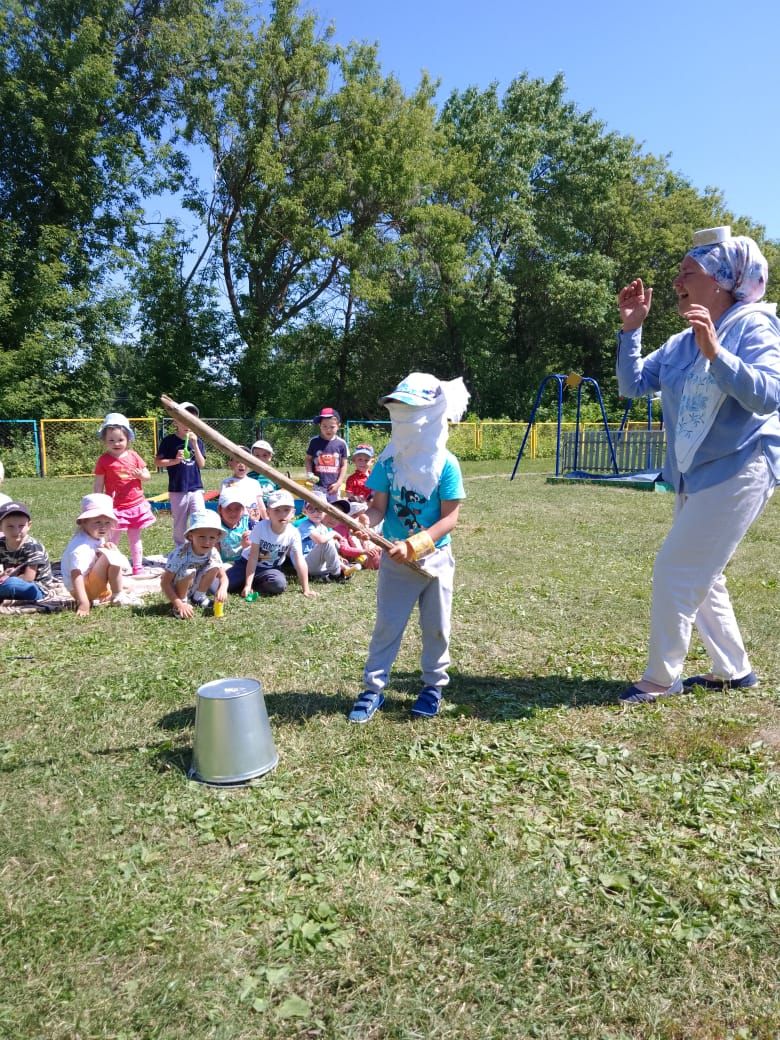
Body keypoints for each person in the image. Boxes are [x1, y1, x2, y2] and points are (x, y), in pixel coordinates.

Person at [616, 226, 780, 704]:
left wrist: (717, 353)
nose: (677, 281)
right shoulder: (679, 342)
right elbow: (632, 386)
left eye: (689, 272)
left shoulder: (755, 325)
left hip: (742, 462)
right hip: (692, 473)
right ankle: (734, 669)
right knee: (703, 573)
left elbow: (768, 395)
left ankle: (661, 678)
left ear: (724, 281)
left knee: (676, 568)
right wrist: (631, 329)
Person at [348, 372, 469, 723]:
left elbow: (450, 519)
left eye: (412, 411)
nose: (404, 418)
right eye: (398, 410)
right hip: (395, 564)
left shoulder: (446, 464)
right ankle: (373, 689)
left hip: (435, 561)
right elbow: (378, 506)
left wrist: (415, 545)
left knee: (437, 627)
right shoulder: (388, 461)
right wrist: (368, 521)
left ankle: (433, 686)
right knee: (387, 625)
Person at [93, 412, 156, 575]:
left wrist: (141, 476)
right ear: (104, 441)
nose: (116, 443)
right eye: (111, 440)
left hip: (136, 505)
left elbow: (147, 475)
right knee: (112, 539)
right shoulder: (103, 460)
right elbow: (99, 483)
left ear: (128, 438)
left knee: (135, 538)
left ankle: (137, 567)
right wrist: (98, 504)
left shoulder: (134, 456)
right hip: (115, 507)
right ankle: (110, 566)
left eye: (120, 439)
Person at [227, 489, 315, 598]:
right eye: (277, 510)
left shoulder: (293, 533)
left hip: (270, 569)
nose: (282, 514)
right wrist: (247, 584)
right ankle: (241, 578)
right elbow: (253, 557)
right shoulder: (261, 527)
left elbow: (299, 560)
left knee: (278, 584)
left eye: (286, 510)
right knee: (223, 585)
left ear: (293, 512)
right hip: (246, 563)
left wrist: (306, 589)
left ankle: (254, 584)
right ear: (268, 512)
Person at [61, 493, 138, 616]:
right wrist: (83, 602)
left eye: (107, 523)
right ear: (83, 522)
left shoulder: (95, 536)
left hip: (90, 584)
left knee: (109, 552)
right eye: (97, 522)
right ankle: (117, 595)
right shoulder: (80, 547)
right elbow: (76, 575)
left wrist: (103, 549)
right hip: (82, 590)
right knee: (110, 556)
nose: (103, 527)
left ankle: (110, 592)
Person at [154, 402, 206, 546]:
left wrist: (195, 445)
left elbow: (201, 464)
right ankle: (180, 549)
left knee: (200, 519)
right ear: (175, 421)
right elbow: (158, 462)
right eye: (183, 419)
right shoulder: (169, 441)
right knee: (180, 523)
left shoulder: (198, 442)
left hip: (196, 488)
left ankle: (199, 548)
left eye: (191, 420)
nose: (187, 424)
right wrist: (175, 460)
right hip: (178, 489)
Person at [160, 512, 228, 619]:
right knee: (188, 571)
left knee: (215, 565)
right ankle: (181, 603)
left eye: (212, 538)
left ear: (217, 537)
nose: (207, 542)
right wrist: (179, 603)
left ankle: (199, 597)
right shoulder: (181, 554)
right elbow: (165, 582)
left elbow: (223, 576)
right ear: (191, 536)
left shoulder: (213, 552)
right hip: (179, 588)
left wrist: (223, 588)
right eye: (201, 536)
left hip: (196, 585)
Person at [0, 501, 55, 602]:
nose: (16, 531)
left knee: (12, 584)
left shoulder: (32, 546)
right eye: (10, 526)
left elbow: (29, 578)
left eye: (21, 526)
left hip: (36, 587)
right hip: (8, 581)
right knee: (10, 584)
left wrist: (8, 577)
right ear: (0, 527)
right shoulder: (1, 544)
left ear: (29, 525)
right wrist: (3, 574)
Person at [297, 493, 357, 581]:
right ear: (304, 511)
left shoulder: (323, 527)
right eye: (311, 509)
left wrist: (342, 565)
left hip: (318, 564)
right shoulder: (305, 525)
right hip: (305, 564)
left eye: (320, 509)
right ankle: (336, 574)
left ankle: (338, 570)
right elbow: (320, 540)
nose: (316, 513)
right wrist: (333, 533)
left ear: (325, 512)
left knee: (331, 542)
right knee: (327, 542)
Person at [305, 407, 349, 501]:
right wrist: (309, 473)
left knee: (334, 510)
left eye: (332, 427)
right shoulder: (314, 441)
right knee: (319, 510)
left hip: (334, 486)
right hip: (318, 485)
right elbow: (308, 459)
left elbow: (344, 465)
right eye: (324, 426)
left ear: (338, 425)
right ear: (320, 425)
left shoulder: (341, 444)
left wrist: (339, 483)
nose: (328, 430)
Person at [220, 449, 267, 520]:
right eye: (238, 461)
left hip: (252, 520)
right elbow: (222, 504)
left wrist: (266, 520)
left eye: (245, 462)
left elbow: (261, 505)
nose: (242, 465)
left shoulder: (254, 483)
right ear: (230, 463)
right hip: (235, 521)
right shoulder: (226, 482)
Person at [217, 486, 253, 564]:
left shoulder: (248, 523)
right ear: (220, 509)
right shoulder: (216, 525)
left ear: (243, 510)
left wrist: (251, 538)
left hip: (244, 561)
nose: (233, 513)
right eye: (228, 508)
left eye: (237, 509)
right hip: (222, 563)